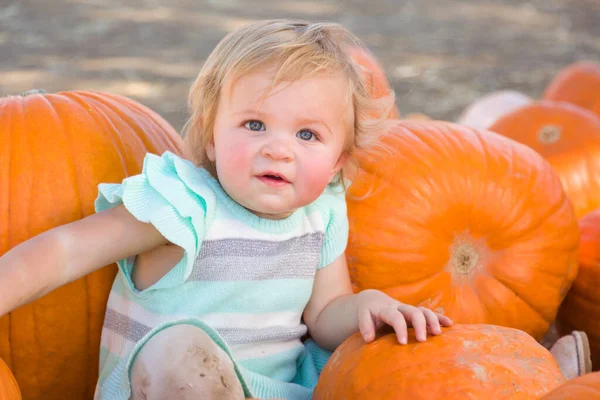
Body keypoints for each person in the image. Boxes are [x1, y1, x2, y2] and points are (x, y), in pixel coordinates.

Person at [0, 19, 453, 400]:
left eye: (307, 135)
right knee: (178, 346)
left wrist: (366, 307)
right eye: (254, 124)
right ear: (211, 136)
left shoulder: (322, 213)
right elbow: (66, 250)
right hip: (166, 386)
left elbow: (324, 314)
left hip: (273, 390)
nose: (279, 150)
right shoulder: (185, 205)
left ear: (337, 160)